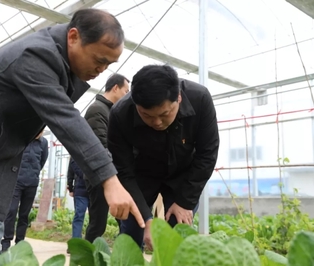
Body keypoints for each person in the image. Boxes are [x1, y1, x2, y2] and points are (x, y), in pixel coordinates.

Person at [0, 8, 144, 265]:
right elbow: (66, 119)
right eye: (99, 59)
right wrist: (109, 179)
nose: (102, 69)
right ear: (73, 37)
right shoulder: (36, 55)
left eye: (109, 64)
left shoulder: (59, 57)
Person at [107, 64, 219, 250]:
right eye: (146, 116)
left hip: (183, 175)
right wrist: (146, 218)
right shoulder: (120, 114)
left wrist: (185, 202)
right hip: (141, 175)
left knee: (177, 232)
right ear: (136, 106)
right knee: (133, 231)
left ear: (179, 98)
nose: (157, 122)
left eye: (165, 114)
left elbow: (207, 153)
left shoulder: (200, 99)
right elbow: (123, 170)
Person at [84, 73, 129, 243]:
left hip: (112, 175)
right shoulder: (97, 110)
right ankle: (85, 258)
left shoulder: (111, 111)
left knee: (124, 219)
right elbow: (100, 147)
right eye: (126, 92)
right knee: (98, 223)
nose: (127, 96)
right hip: (99, 176)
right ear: (115, 88)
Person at [1, 130, 48, 252]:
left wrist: (34, 173)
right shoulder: (22, 139)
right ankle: (6, 242)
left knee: (24, 215)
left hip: (31, 183)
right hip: (17, 182)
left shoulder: (43, 143)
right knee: (11, 211)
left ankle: (20, 243)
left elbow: (42, 161)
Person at [67, 158, 88, 245]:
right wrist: (71, 188)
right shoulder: (74, 154)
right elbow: (70, 172)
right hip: (81, 191)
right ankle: (76, 244)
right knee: (79, 216)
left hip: (92, 191)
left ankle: (90, 242)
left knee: (95, 219)